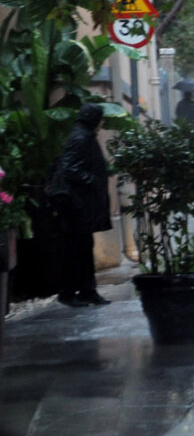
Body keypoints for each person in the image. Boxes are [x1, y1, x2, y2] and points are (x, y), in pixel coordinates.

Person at [46, 103, 112, 307]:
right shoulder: (81, 138)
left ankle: (87, 291)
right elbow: (70, 168)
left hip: (81, 205)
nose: (102, 122)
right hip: (76, 205)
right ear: (94, 119)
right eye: (100, 118)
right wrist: (92, 180)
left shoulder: (83, 136)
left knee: (82, 247)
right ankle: (70, 292)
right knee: (75, 249)